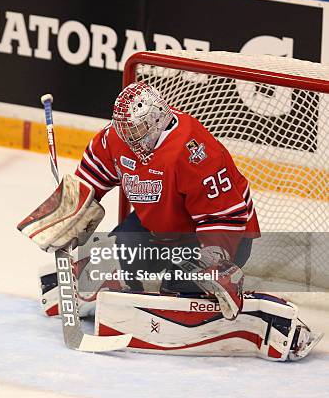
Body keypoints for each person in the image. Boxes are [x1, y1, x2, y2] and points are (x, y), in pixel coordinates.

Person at [18, 82, 260, 321]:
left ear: (157, 120)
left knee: (176, 294)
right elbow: (90, 180)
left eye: (135, 129)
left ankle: (224, 285)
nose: (127, 137)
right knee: (104, 264)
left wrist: (214, 261)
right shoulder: (115, 137)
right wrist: (68, 213)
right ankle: (117, 293)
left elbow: (224, 215)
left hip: (218, 234)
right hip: (158, 226)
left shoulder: (194, 152)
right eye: (124, 128)